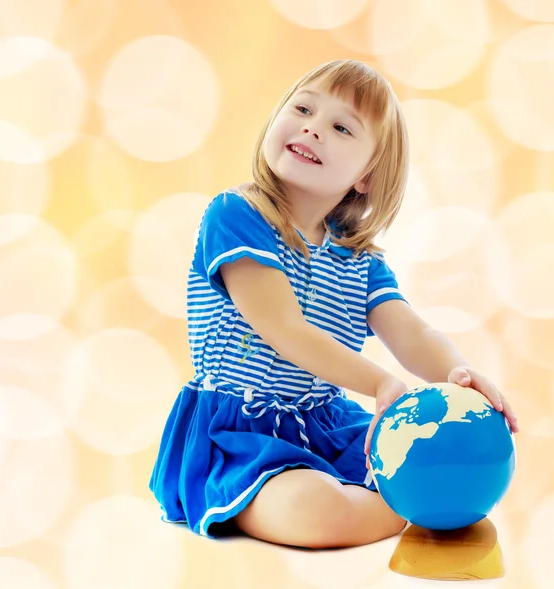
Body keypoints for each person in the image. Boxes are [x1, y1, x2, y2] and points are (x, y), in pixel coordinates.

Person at [149, 59, 519, 549]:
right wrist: (380, 382)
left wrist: (460, 375)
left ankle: (394, 503)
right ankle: (390, 507)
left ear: (366, 176)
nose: (312, 127)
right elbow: (284, 329)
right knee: (320, 512)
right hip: (237, 433)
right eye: (303, 108)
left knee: (420, 461)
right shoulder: (237, 215)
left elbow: (411, 332)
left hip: (323, 424)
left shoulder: (356, 257)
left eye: (341, 127)